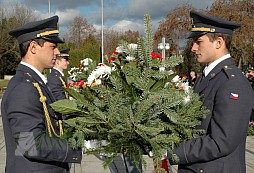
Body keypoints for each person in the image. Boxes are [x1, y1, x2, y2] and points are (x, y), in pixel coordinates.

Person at [167, 11, 254, 173]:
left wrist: (171, 151)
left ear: (218, 43)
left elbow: (220, 142)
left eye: (198, 42)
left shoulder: (232, 82)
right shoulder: (207, 77)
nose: (193, 48)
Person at [1, 16, 82, 173]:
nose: (57, 52)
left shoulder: (34, 81)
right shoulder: (24, 87)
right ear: (33, 47)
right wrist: (76, 146)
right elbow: (29, 143)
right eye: (53, 47)